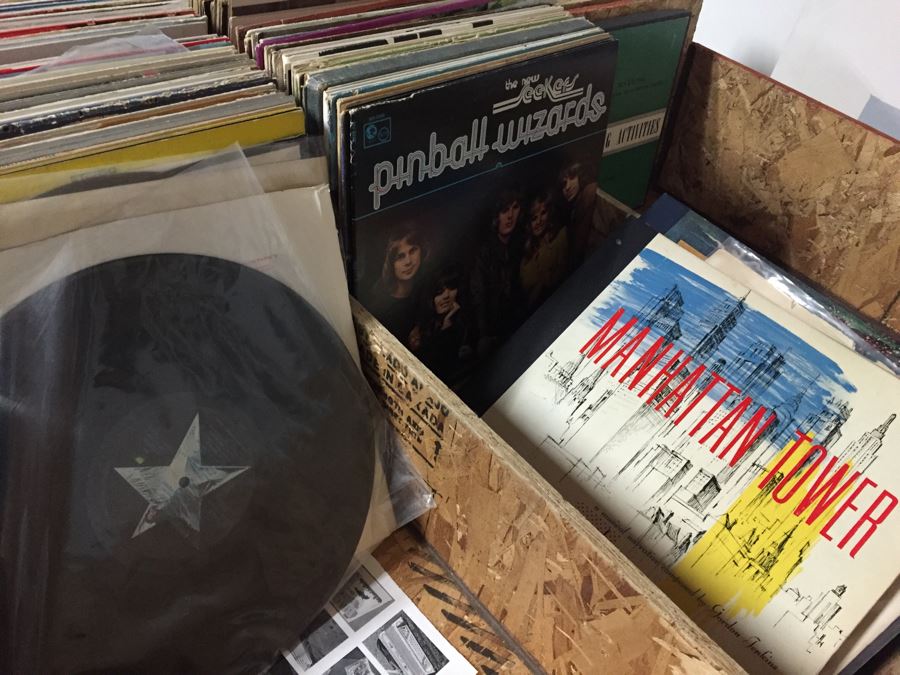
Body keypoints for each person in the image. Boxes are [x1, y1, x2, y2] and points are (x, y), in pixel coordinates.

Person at [469, 187, 526, 360]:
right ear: (496, 216)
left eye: (514, 208)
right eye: (504, 210)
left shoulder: (521, 244)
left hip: (515, 331)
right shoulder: (484, 252)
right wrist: (484, 335)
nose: (510, 216)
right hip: (490, 333)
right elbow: (478, 295)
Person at [368, 224, 427, 347]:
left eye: (413, 251)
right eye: (400, 257)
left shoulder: (425, 285)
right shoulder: (380, 305)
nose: (408, 261)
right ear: (389, 263)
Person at [411, 269, 473, 383]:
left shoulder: (464, 326)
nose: (446, 296)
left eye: (452, 288)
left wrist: (446, 328)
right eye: (439, 291)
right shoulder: (422, 325)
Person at [520, 187, 568, 311]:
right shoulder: (525, 256)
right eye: (534, 218)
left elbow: (557, 282)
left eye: (543, 213)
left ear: (550, 213)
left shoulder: (561, 238)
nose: (539, 221)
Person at [557, 159, 598, 269]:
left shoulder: (590, 192)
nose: (567, 187)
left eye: (572, 178)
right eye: (563, 183)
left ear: (581, 176)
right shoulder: (573, 211)